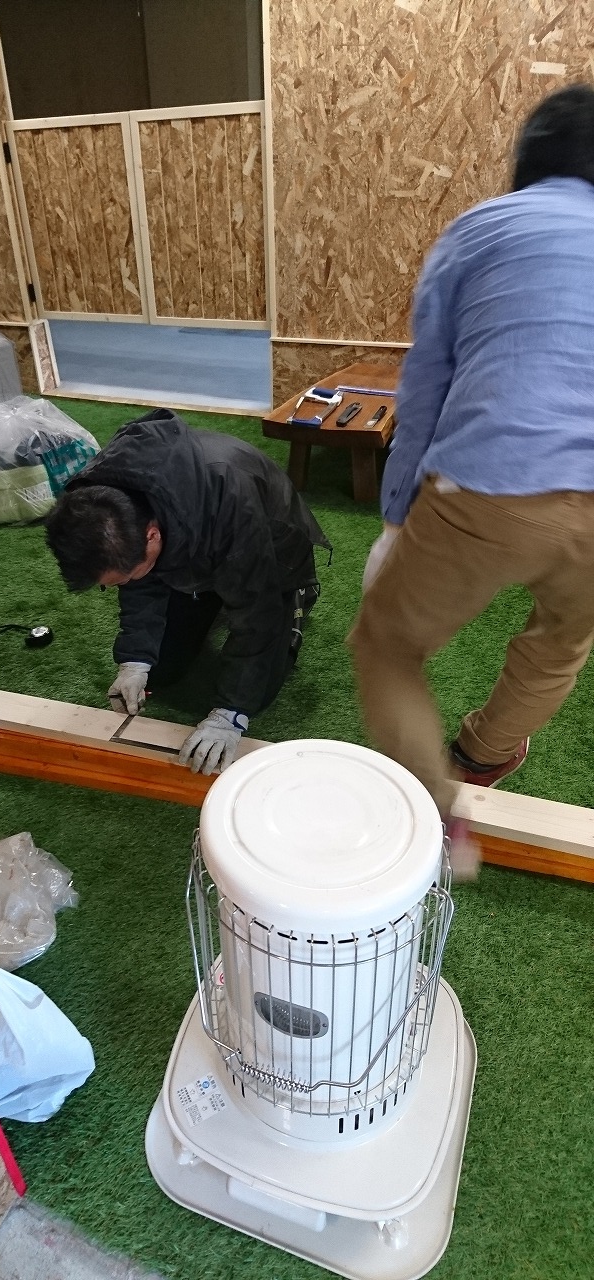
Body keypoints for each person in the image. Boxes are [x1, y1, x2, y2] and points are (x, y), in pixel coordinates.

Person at [349, 84, 594, 868]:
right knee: (561, 643)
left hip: (494, 483)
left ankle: (440, 814)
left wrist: (395, 523)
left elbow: (425, 388)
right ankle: (484, 756)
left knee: (386, 644)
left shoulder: (483, 228)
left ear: (528, 162)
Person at [45, 408, 330, 774]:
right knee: (160, 670)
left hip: (269, 549)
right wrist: (135, 660)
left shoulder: (230, 501)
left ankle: (295, 601)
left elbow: (256, 611)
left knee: (258, 687)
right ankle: (206, 594)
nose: (117, 587)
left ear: (152, 536)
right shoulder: (100, 496)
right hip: (191, 541)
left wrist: (230, 714)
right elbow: (138, 579)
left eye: (123, 578)